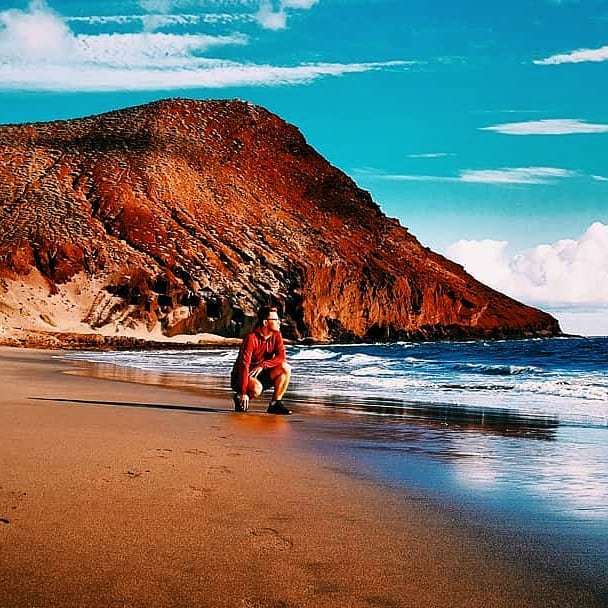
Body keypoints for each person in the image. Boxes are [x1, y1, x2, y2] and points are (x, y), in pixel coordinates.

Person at [230, 306, 292, 414]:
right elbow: (244, 366)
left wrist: (263, 365)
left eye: (278, 319)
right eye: (275, 320)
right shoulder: (251, 338)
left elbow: (281, 357)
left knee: (285, 368)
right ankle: (240, 397)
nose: (279, 322)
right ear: (265, 322)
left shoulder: (277, 335)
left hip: (261, 373)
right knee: (256, 389)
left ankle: (275, 404)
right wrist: (244, 392)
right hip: (242, 376)